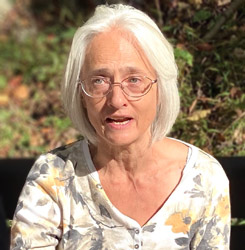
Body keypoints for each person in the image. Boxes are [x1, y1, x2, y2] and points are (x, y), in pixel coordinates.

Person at [11, 4, 230, 250]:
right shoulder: (53, 176)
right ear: (80, 94)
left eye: (134, 80)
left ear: (161, 89)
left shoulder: (203, 178)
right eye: (99, 80)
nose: (116, 100)